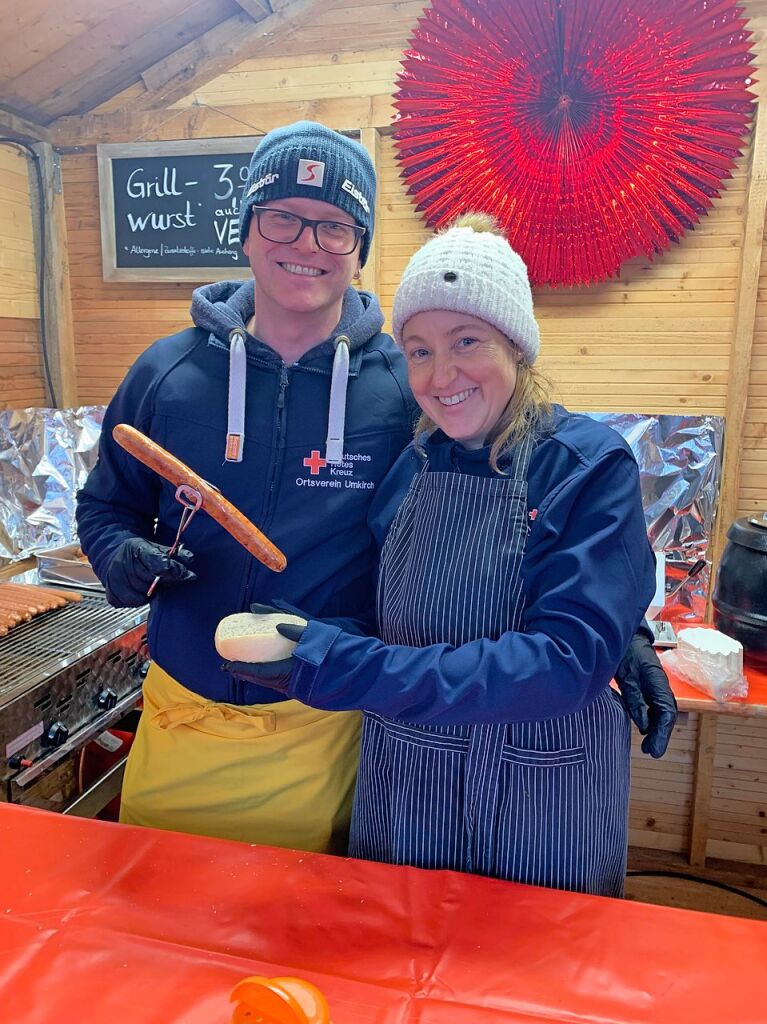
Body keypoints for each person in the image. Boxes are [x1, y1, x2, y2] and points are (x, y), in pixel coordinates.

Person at [76, 121, 675, 855]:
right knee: (164, 927)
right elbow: (105, 505)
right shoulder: (164, 374)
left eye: (334, 227)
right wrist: (119, 558)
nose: (306, 244)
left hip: (332, 720)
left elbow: (536, 522)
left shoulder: (406, 389)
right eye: (283, 217)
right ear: (245, 230)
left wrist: (617, 632)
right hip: (189, 708)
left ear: (358, 249)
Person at [225, 214, 658, 896]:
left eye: (466, 341)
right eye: (419, 350)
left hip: (539, 791)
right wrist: (305, 639)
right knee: (395, 972)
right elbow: (385, 621)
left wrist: (354, 669)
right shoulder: (410, 466)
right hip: (408, 782)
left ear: (515, 345)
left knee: (528, 981)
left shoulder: (582, 465)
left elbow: (561, 662)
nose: (441, 373)